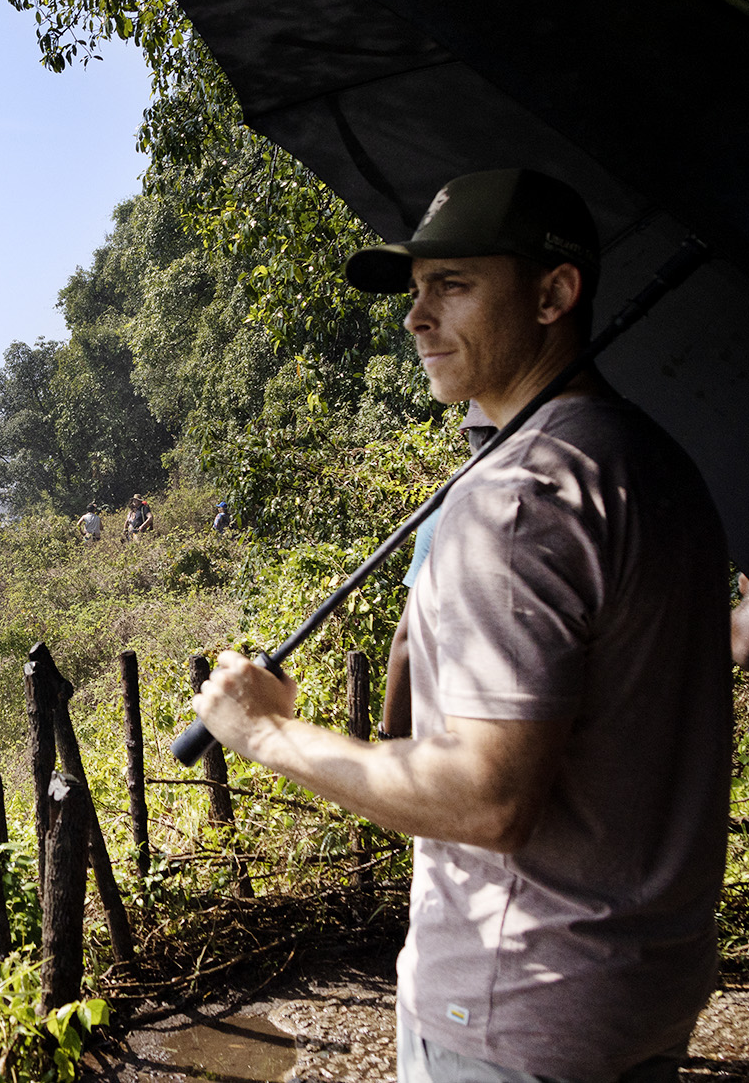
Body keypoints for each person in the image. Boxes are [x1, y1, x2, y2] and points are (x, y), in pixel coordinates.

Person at [194, 169, 732, 1083]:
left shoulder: (515, 500)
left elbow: (487, 797)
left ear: (556, 293)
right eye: (414, 291)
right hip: (647, 986)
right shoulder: (656, 466)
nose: (416, 318)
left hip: (514, 1009)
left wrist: (267, 731)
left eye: (453, 285)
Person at [379, 403, 496, 740]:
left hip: (458, 731)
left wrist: (391, 738)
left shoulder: (445, 511)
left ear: (466, 437)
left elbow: (409, 638)